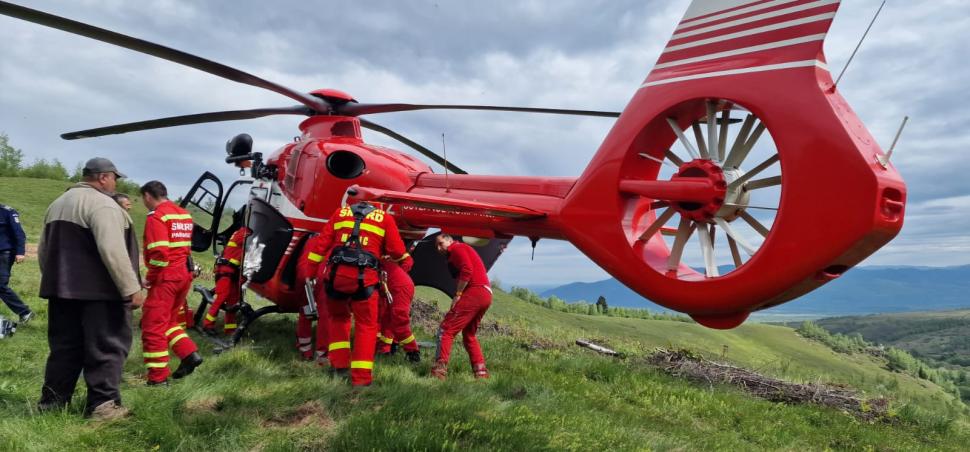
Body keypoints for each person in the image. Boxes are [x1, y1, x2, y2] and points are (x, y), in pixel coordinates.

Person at [36, 157, 144, 420]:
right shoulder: (103, 205)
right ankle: (103, 406)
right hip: (101, 294)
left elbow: (43, 249)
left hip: (62, 292)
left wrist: (55, 282)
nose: (115, 183)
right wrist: (131, 288)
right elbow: (112, 250)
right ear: (103, 177)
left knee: (64, 348)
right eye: (115, 178)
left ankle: (52, 404)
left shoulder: (57, 203)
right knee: (107, 347)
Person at [302, 201, 412, 387]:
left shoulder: (340, 213)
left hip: (336, 279)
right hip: (365, 281)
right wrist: (405, 259)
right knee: (366, 326)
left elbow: (320, 247)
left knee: (338, 319)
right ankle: (361, 379)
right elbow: (396, 251)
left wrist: (310, 273)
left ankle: (339, 366)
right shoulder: (385, 218)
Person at [139, 181, 202, 385]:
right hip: (183, 275)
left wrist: (149, 278)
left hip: (166, 278)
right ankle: (189, 354)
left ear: (148, 196)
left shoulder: (157, 216)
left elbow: (159, 254)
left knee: (152, 326)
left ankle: (158, 379)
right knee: (169, 321)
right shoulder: (184, 215)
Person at [431, 234, 492, 380]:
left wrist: (458, 294)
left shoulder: (457, 248)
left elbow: (467, 270)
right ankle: (481, 373)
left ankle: (439, 371)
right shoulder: (458, 251)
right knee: (469, 335)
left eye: (441, 243)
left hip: (475, 291)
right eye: (436, 246)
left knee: (446, 329)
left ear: (449, 240)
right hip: (486, 294)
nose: (439, 248)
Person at [201, 223, 249, 336]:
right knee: (222, 297)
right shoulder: (244, 233)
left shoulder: (244, 232)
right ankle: (207, 325)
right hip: (225, 272)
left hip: (232, 273)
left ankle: (230, 329)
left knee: (233, 301)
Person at [295, 233, 331, 364]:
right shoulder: (334, 241)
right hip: (322, 278)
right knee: (325, 316)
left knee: (306, 311)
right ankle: (322, 355)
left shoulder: (313, 240)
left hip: (306, 276)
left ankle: (305, 350)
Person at [376, 256, 419, 362]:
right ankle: (384, 350)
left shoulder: (373, 258)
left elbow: (407, 259)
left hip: (400, 287)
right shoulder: (374, 258)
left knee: (399, 320)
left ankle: (413, 352)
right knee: (386, 319)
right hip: (391, 287)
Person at [0, 202, 32, 323]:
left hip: (4, 253)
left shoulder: (7, 212)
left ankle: (24, 312)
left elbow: (19, 233)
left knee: (0, 285)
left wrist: (20, 252)